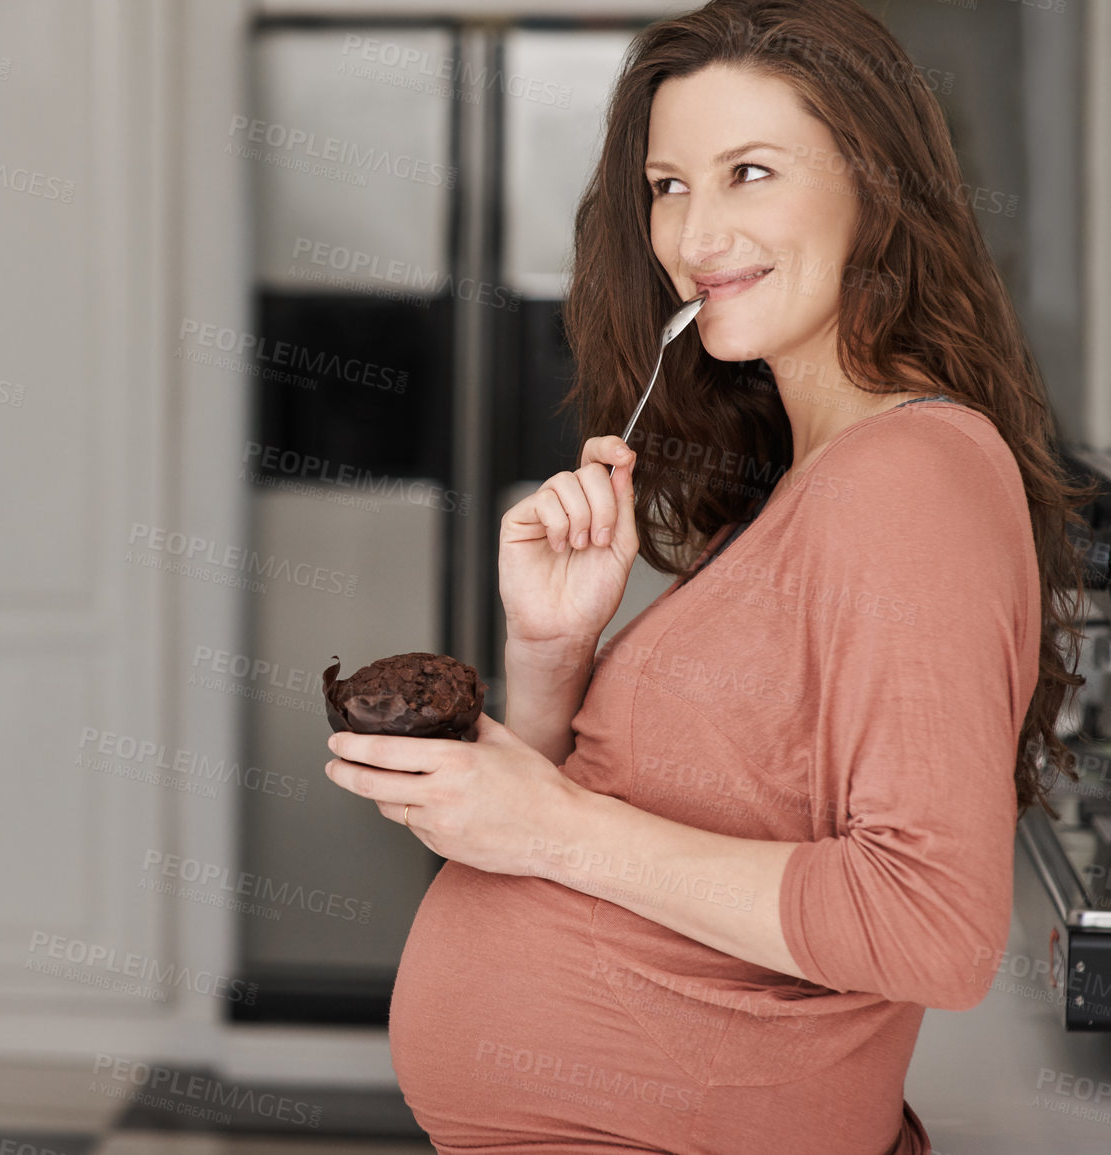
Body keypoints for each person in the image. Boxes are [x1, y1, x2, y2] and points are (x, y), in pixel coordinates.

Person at [320, 1, 1093, 1151]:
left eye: (750, 173)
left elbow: (929, 927)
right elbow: (559, 821)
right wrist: (551, 653)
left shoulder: (914, 477)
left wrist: (554, 832)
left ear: (877, 190)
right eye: (669, 185)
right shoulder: (812, 479)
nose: (693, 232)